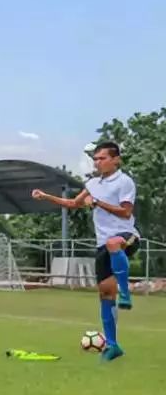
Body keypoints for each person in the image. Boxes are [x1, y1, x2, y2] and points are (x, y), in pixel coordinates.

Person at [32, 141, 138, 362]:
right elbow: (73, 203)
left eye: (102, 158)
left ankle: (126, 294)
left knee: (113, 244)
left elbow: (126, 213)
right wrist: (46, 196)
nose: (97, 162)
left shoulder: (125, 182)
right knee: (105, 294)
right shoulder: (92, 184)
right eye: (95, 159)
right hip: (103, 244)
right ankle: (113, 345)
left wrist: (97, 203)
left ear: (115, 159)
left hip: (126, 236)